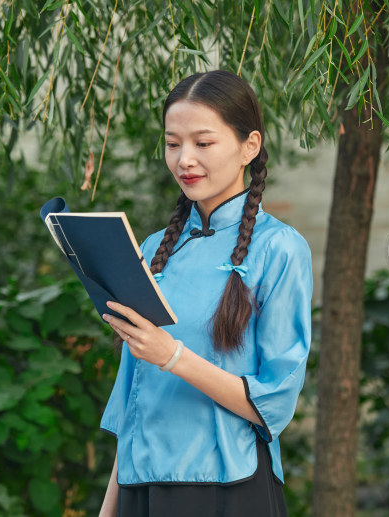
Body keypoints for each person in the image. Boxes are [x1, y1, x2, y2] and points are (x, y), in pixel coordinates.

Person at [97, 70, 312, 517]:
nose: (184, 160)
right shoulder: (154, 249)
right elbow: (136, 402)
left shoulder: (280, 248)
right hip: (142, 489)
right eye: (172, 144)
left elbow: (273, 400)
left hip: (225, 489)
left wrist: (172, 356)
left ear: (249, 146)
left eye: (203, 143)